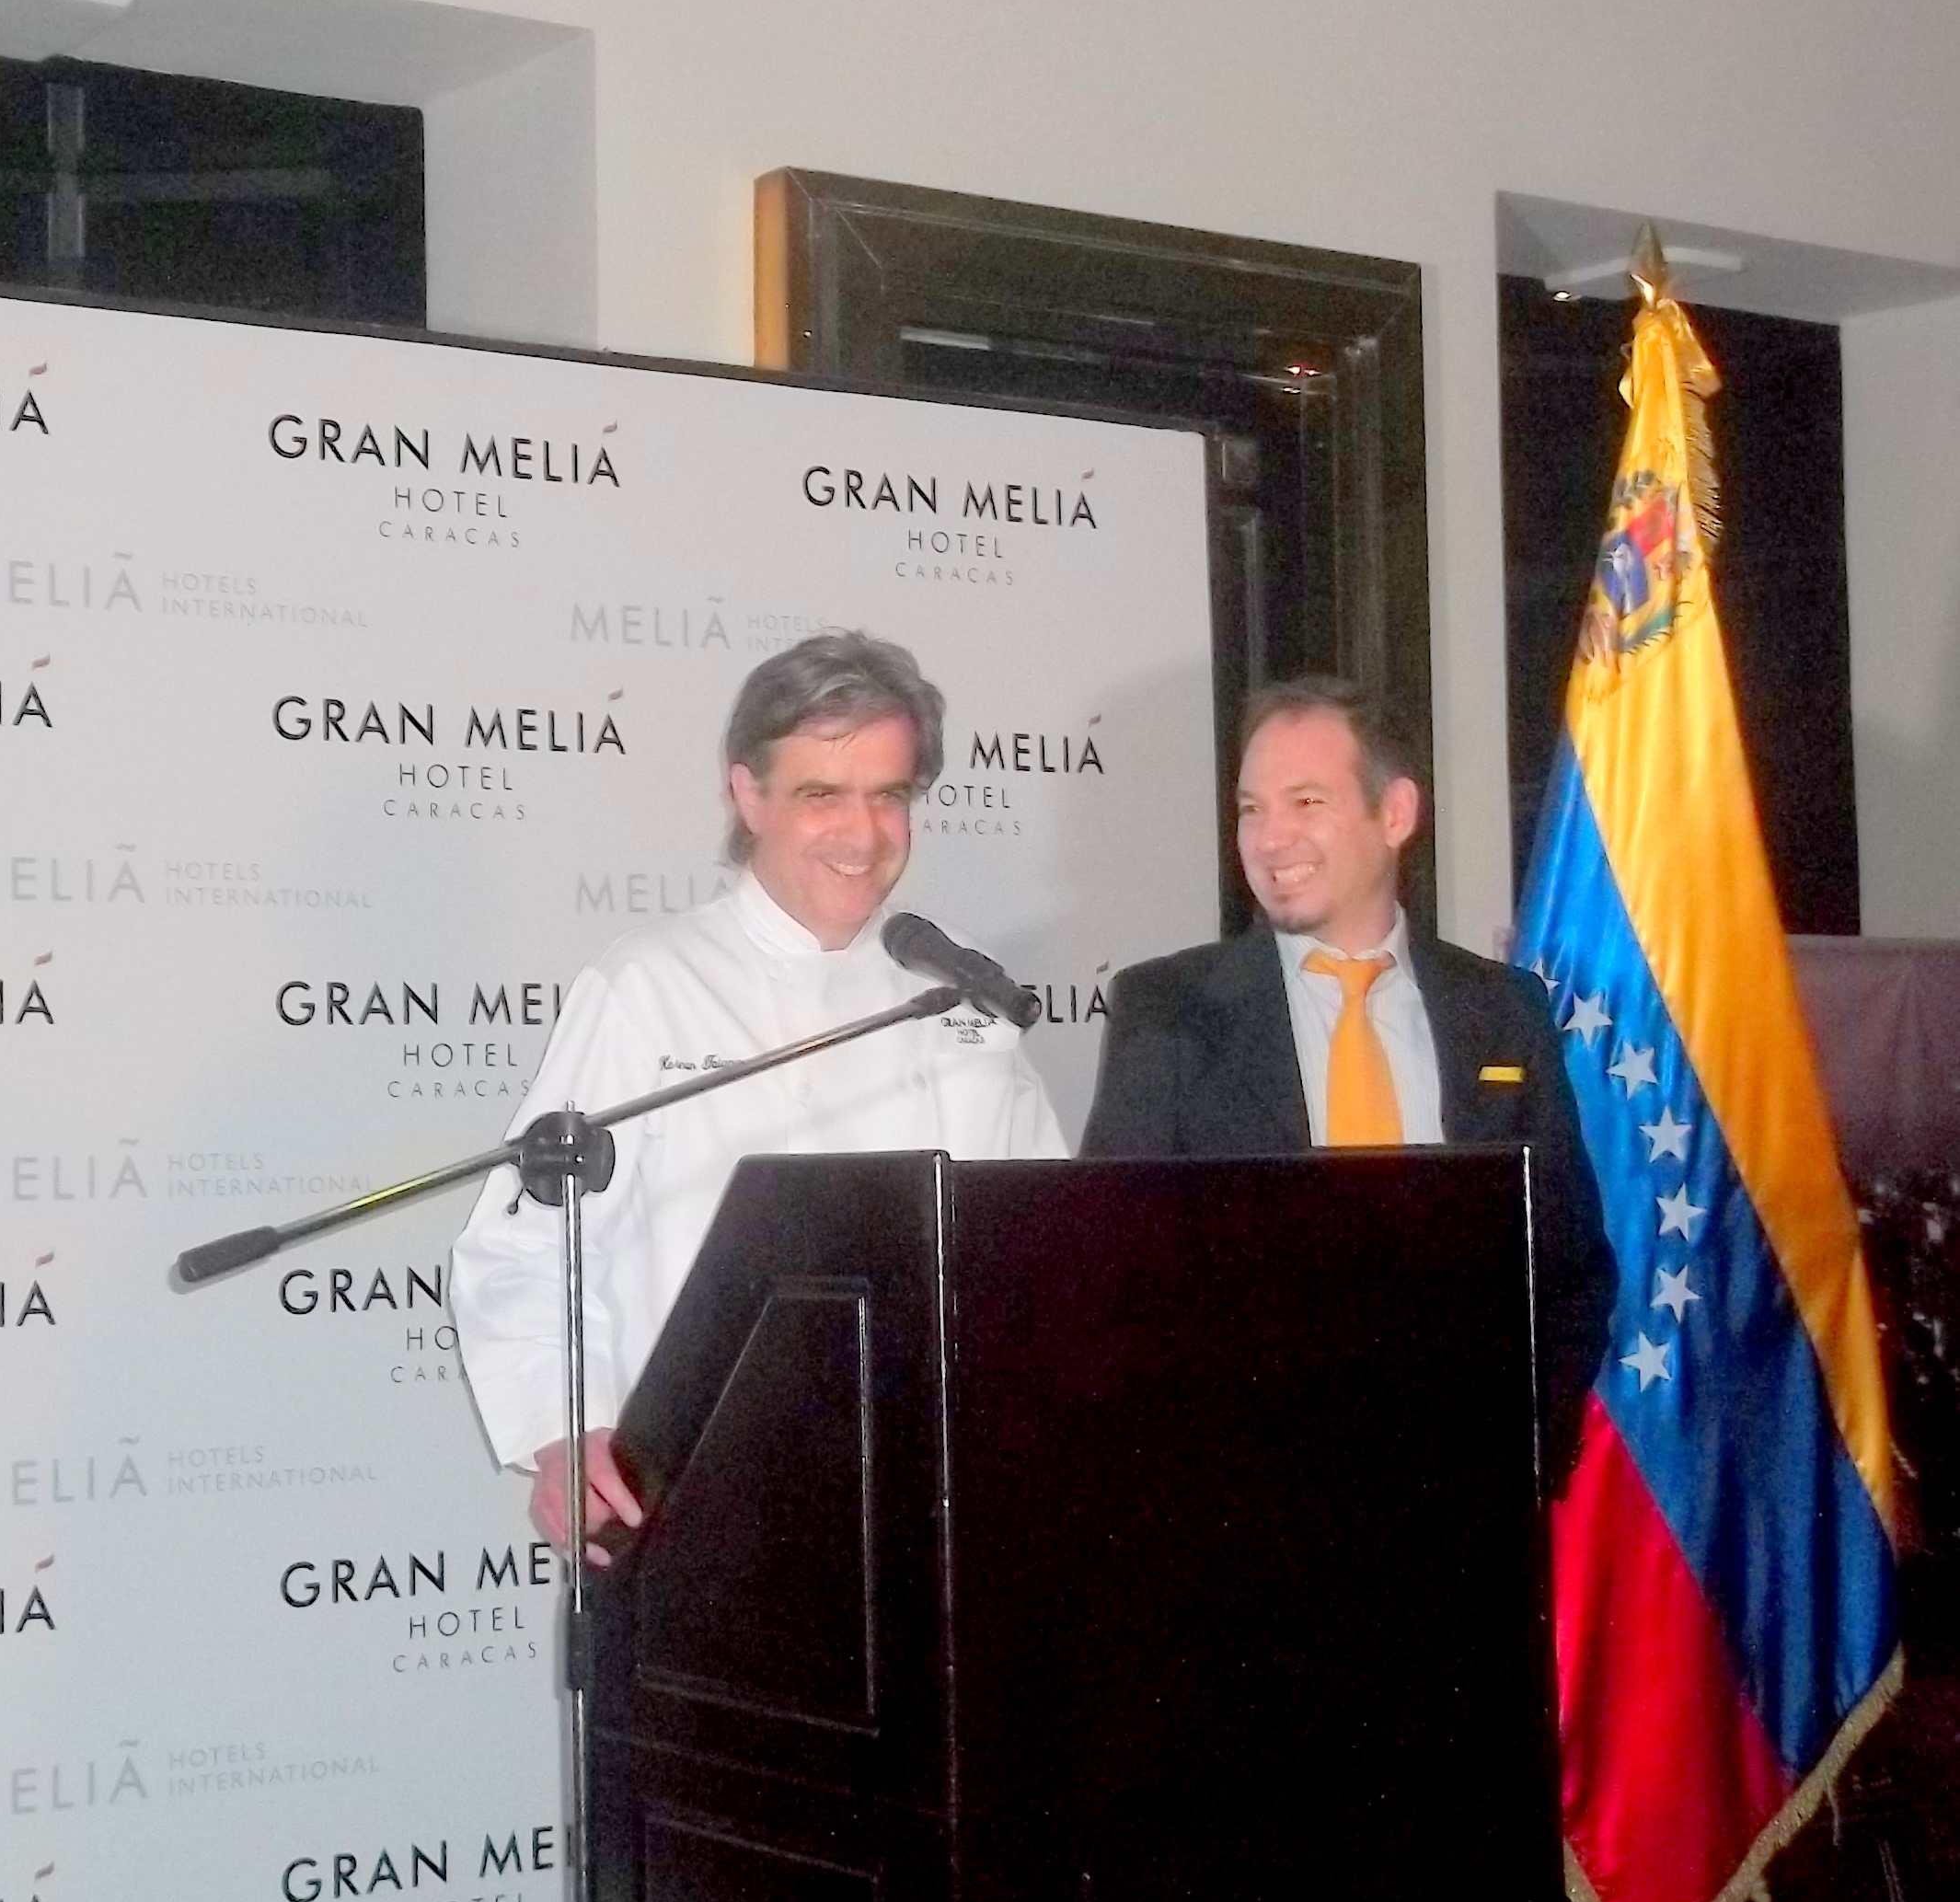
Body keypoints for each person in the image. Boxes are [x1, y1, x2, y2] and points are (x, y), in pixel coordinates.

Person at [451, 631, 1066, 1567]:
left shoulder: (958, 992)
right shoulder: (648, 986)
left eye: (888, 796)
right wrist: (561, 1430)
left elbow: (1040, 1245)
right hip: (702, 1507)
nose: (862, 835)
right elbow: (525, 1245)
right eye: (821, 795)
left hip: (938, 1508)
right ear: (747, 795)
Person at [1079, 674, 1614, 1479]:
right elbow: (1114, 1271)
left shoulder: (1502, 1010)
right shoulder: (1167, 1011)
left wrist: (1517, 1457)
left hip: (1465, 1495)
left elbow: (1569, 1266)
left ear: (1394, 813)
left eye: (1305, 802)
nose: (1269, 839)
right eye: (1250, 809)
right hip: (1243, 1496)